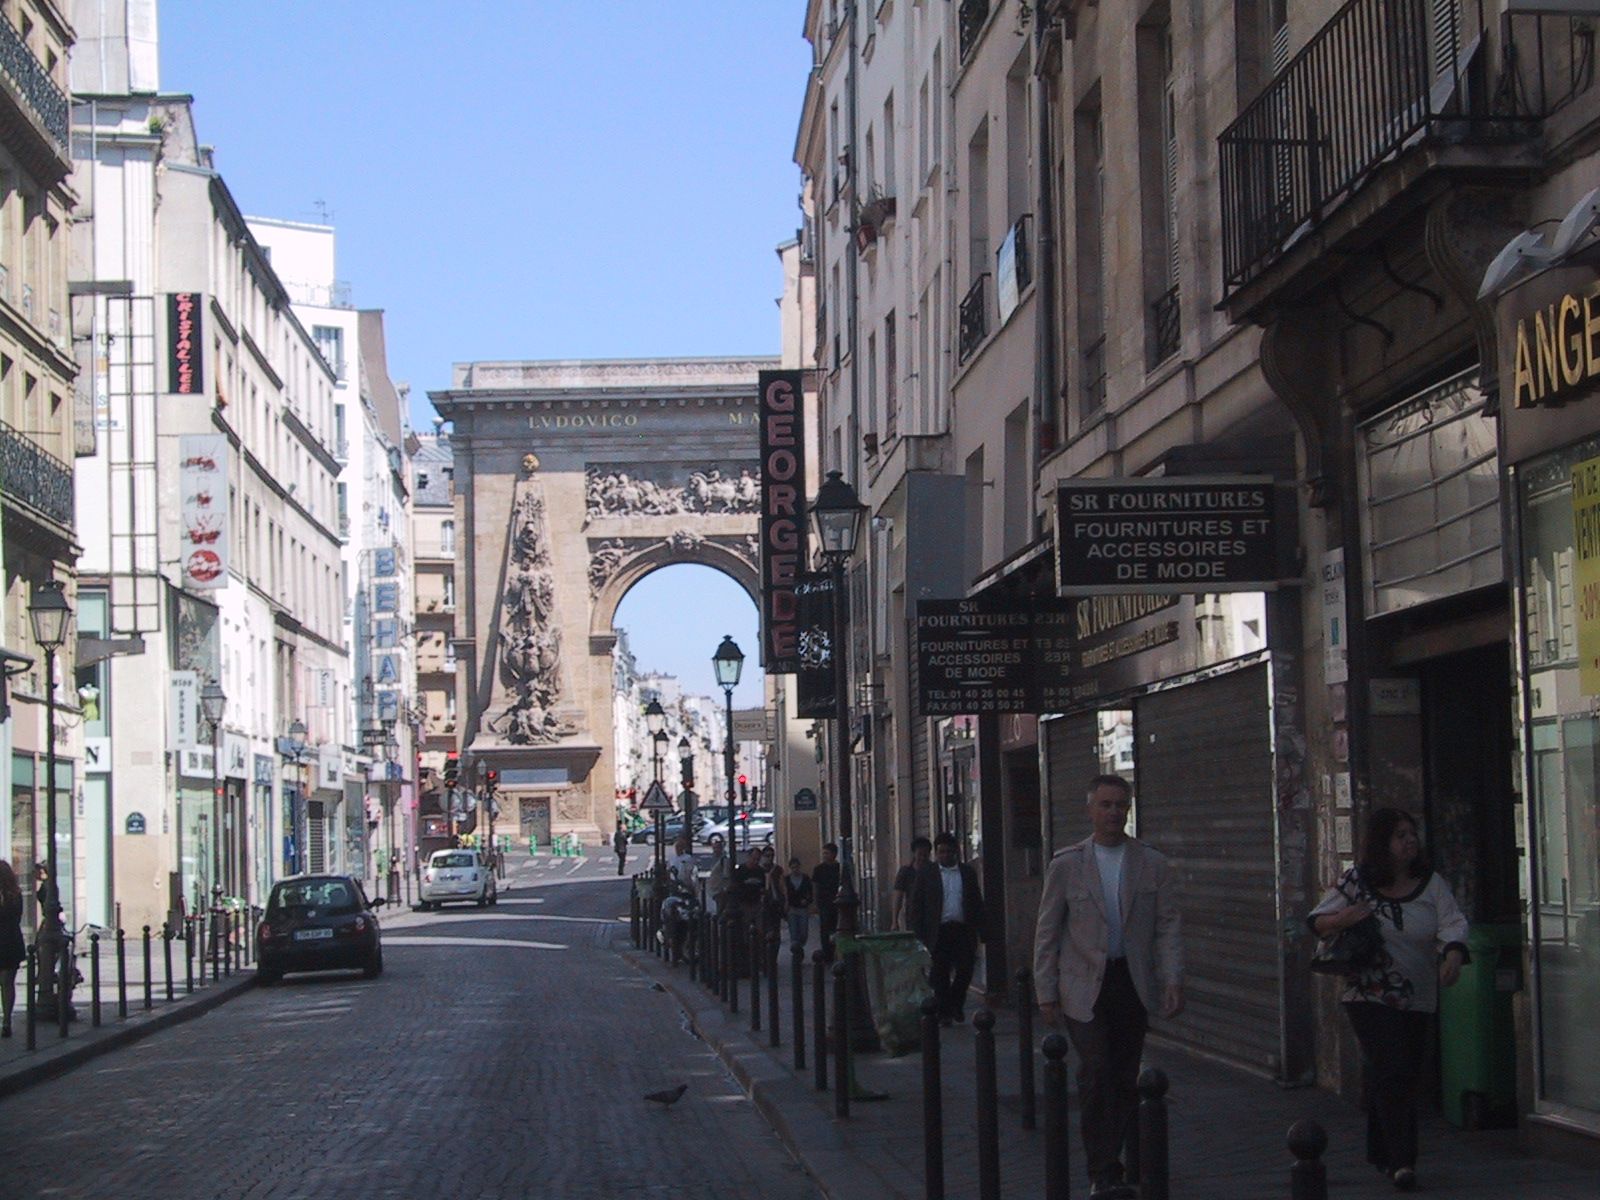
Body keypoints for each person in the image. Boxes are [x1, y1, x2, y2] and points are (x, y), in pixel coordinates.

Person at [1034, 775, 1183, 1200]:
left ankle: (1119, 1154)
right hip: (1083, 985)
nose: (1114, 812)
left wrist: (1172, 978)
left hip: (1130, 981)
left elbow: (1168, 925)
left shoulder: (1151, 863)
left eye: (1120, 805)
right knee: (1096, 1070)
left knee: (1122, 1074)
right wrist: (1045, 988)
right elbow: (1047, 931)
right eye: (1105, 805)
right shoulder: (1068, 864)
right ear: (1090, 810)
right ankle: (1103, 1168)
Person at [1308, 808, 1468, 1193]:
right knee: (1393, 1068)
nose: (1409, 840)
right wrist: (1343, 918)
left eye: (1412, 833)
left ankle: (1380, 1150)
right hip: (1368, 993)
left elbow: (1452, 922)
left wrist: (1453, 955)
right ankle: (1402, 1161)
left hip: (1418, 994)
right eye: (1400, 835)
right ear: (1382, 843)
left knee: (1400, 1074)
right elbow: (1316, 920)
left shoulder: (1430, 884)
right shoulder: (1357, 881)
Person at [908, 832, 986, 1024]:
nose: (945, 856)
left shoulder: (967, 873)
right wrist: (917, 933)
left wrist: (982, 929)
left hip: (961, 930)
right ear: (936, 853)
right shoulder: (927, 873)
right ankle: (945, 1012)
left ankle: (956, 1003)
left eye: (949, 852)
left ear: (956, 852)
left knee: (965, 969)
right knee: (940, 973)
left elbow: (976, 902)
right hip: (938, 931)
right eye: (941, 852)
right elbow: (916, 904)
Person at [0, 859, 24, 1037]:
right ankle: (7, 1020)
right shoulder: (16, 894)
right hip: (12, 941)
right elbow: (18, 917)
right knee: (8, 984)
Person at [891, 836, 933, 931]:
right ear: (914, 853)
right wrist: (894, 921)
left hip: (932, 917)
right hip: (913, 916)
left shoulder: (934, 871)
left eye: (925, 855)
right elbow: (898, 897)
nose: (922, 858)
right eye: (920, 854)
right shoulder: (905, 872)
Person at [811, 843, 841, 963]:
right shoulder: (819, 869)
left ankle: (835, 952)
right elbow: (815, 886)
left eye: (827, 853)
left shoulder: (839, 868)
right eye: (823, 853)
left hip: (837, 902)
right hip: (824, 902)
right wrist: (815, 902)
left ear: (834, 854)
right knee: (825, 929)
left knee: (836, 928)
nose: (824, 855)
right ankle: (827, 954)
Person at [782, 857, 813, 950]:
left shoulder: (805, 878)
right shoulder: (786, 879)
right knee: (794, 931)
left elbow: (810, 892)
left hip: (803, 908)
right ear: (790, 868)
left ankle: (800, 946)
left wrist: (807, 901)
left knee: (803, 932)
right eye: (793, 867)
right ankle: (796, 949)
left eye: (796, 867)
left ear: (799, 867)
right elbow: (784, 893)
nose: (795, 870)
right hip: (792, 908)